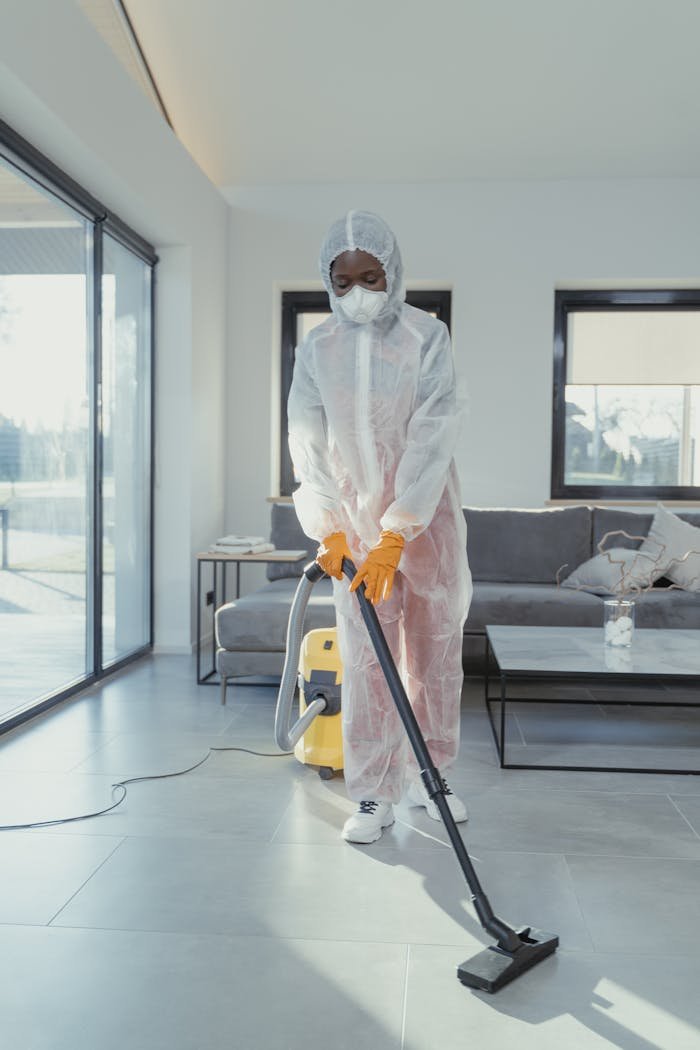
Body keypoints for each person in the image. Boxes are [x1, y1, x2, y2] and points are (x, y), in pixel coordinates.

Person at [287, 210, 472, 844]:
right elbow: (306, 443)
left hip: (425, 524)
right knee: (367, 661)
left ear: (391, 274)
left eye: (371, 277)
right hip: (354, 529)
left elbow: (432, 433)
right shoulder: (316, 348)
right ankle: (372, 794)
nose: (358, 293)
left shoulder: (427, 336)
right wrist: (331, 527)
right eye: (344, 282)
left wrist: (400, 531)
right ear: (327, 281)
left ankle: (432, 775)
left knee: (434, 655)